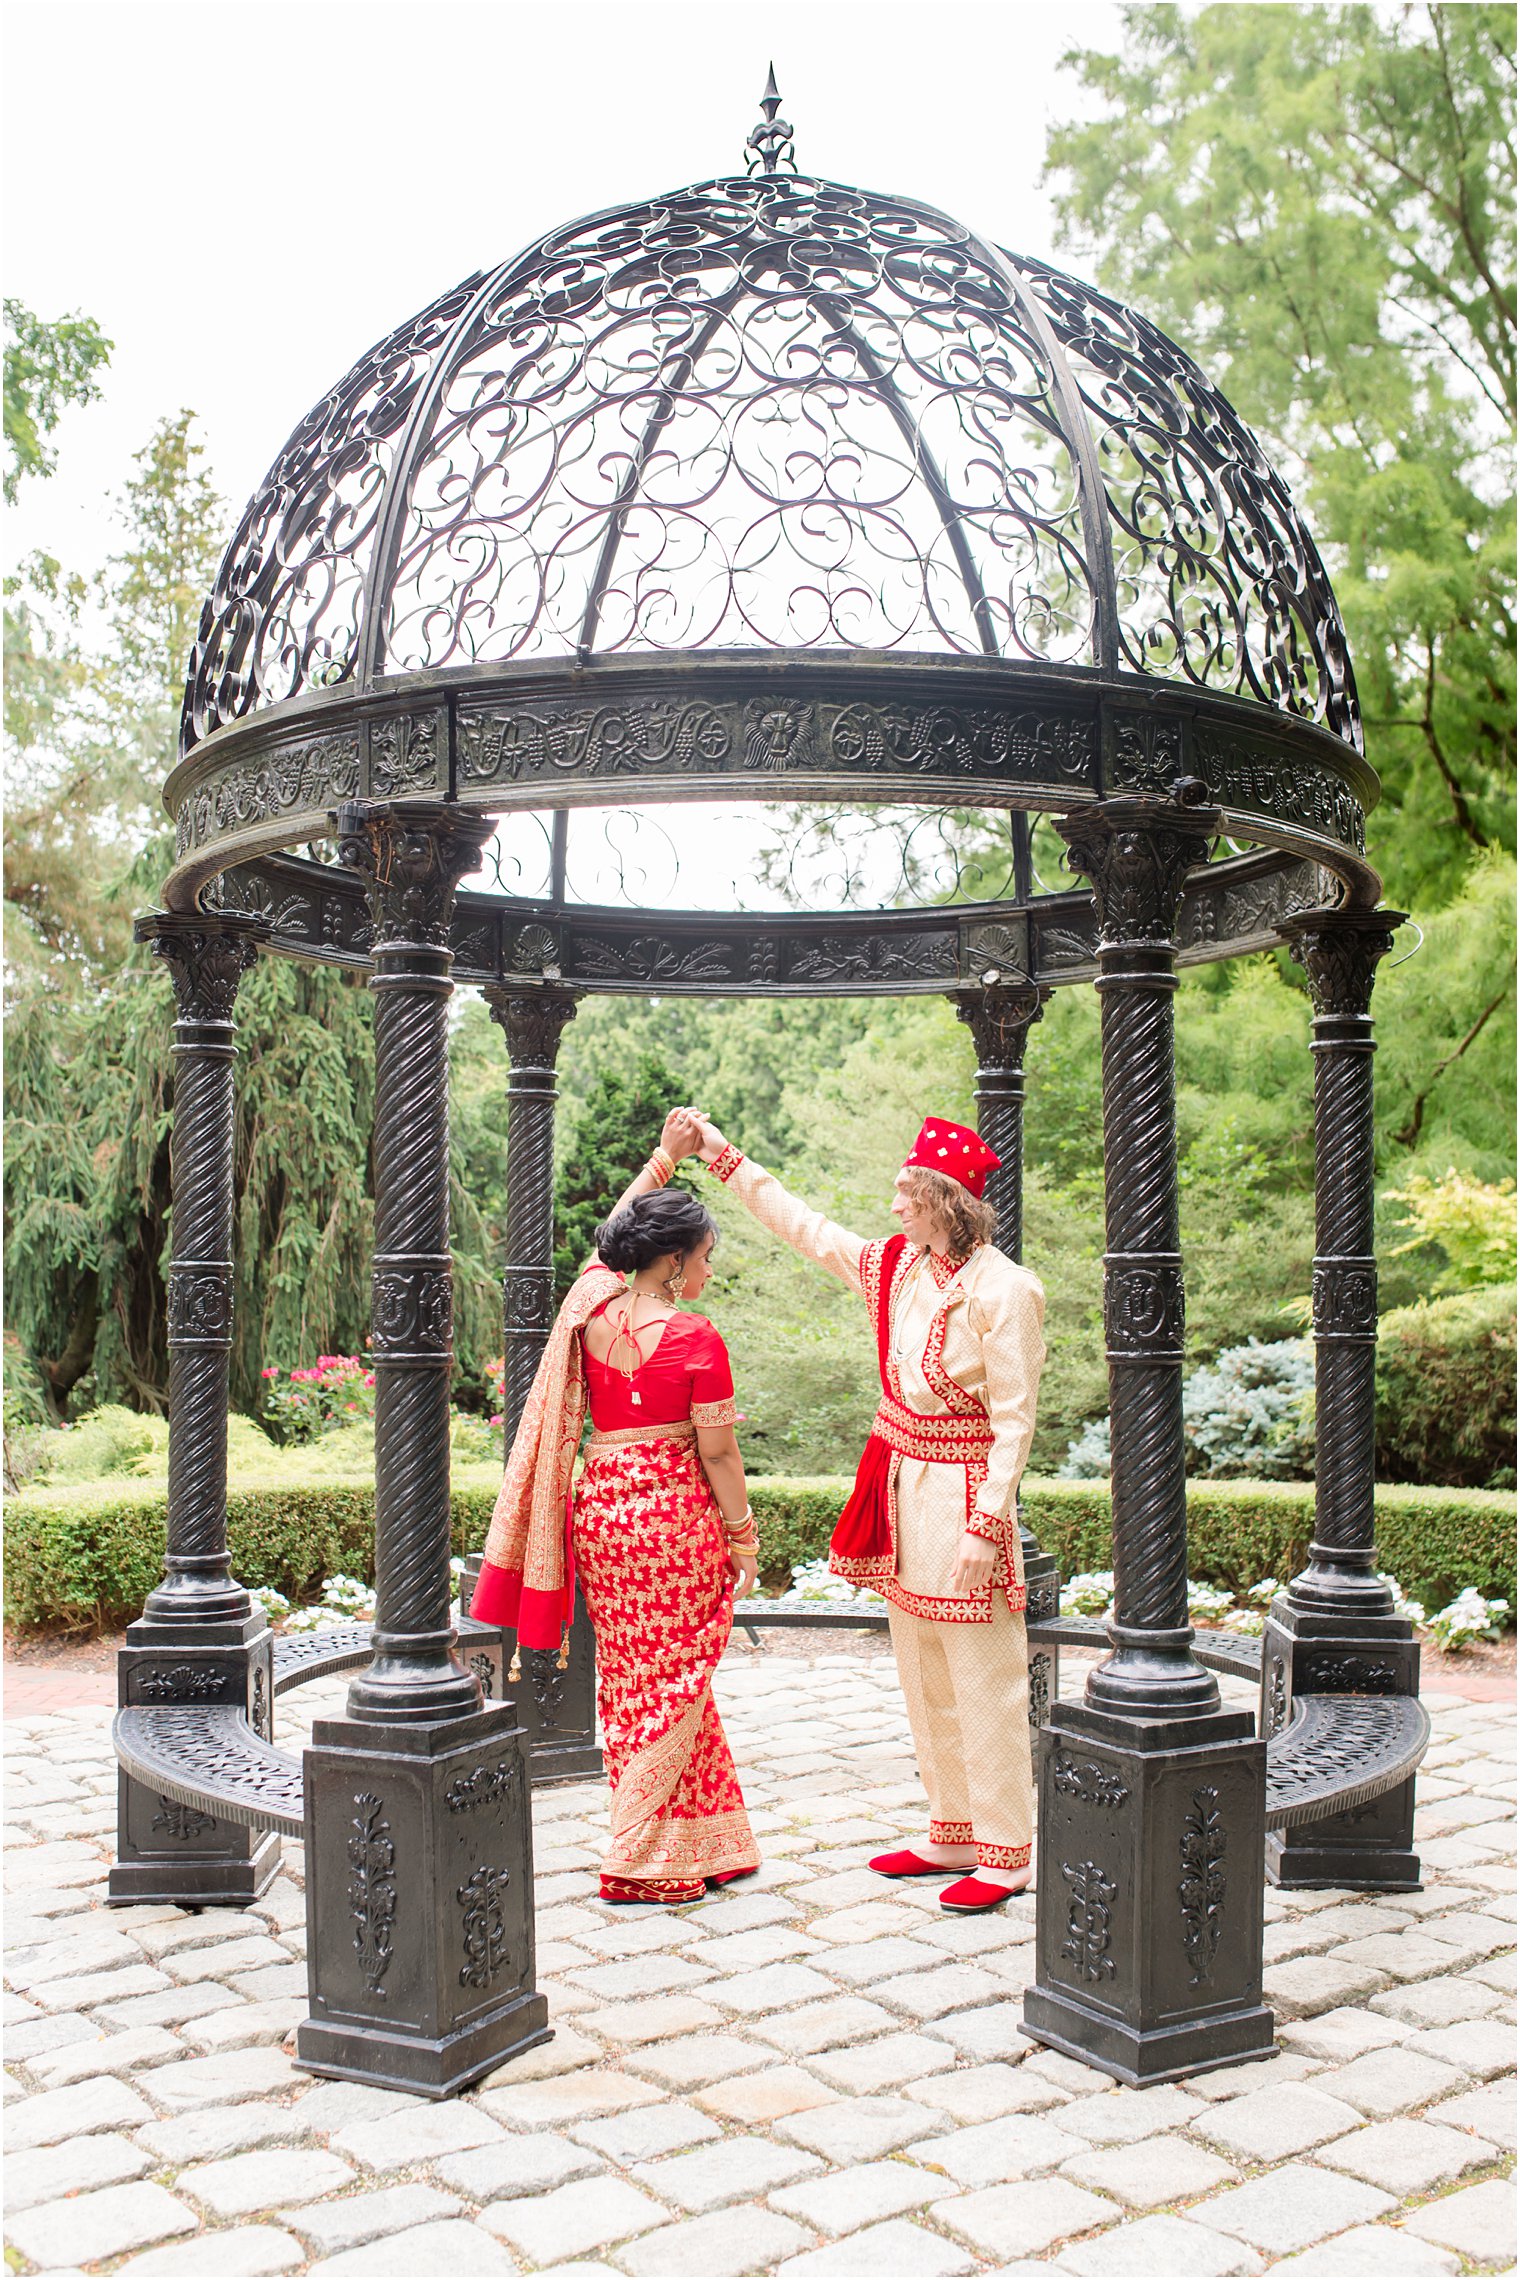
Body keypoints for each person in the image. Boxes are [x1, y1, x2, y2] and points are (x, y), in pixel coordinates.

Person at [668, 1107, 1045, 1914]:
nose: (897, 1205)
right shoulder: (895, 1269)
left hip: (966, 1493)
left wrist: (988, 1525)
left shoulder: (1007, 1290)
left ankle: (1008, 1851)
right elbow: (800, 1224)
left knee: (985, 1675)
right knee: (922, 1669)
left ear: (948, 1200)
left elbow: (1015, 1418)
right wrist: (722, 1153)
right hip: (905, 1488)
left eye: (910, 1193)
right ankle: (952, 1830)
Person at [472, 1120, 760, 1906]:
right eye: (704, 1254)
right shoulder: (697, 1337)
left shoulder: (589, 1308)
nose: (709, 1266)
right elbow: (720, 1457)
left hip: (602, 1514)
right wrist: (743, 1534)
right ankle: (643, 1856)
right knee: (676, 1683)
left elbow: (613, 1237)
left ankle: (711, 1837)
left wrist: (665, 1158)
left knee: (640, 1680)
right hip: (674, 1520)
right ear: (673, 1260)